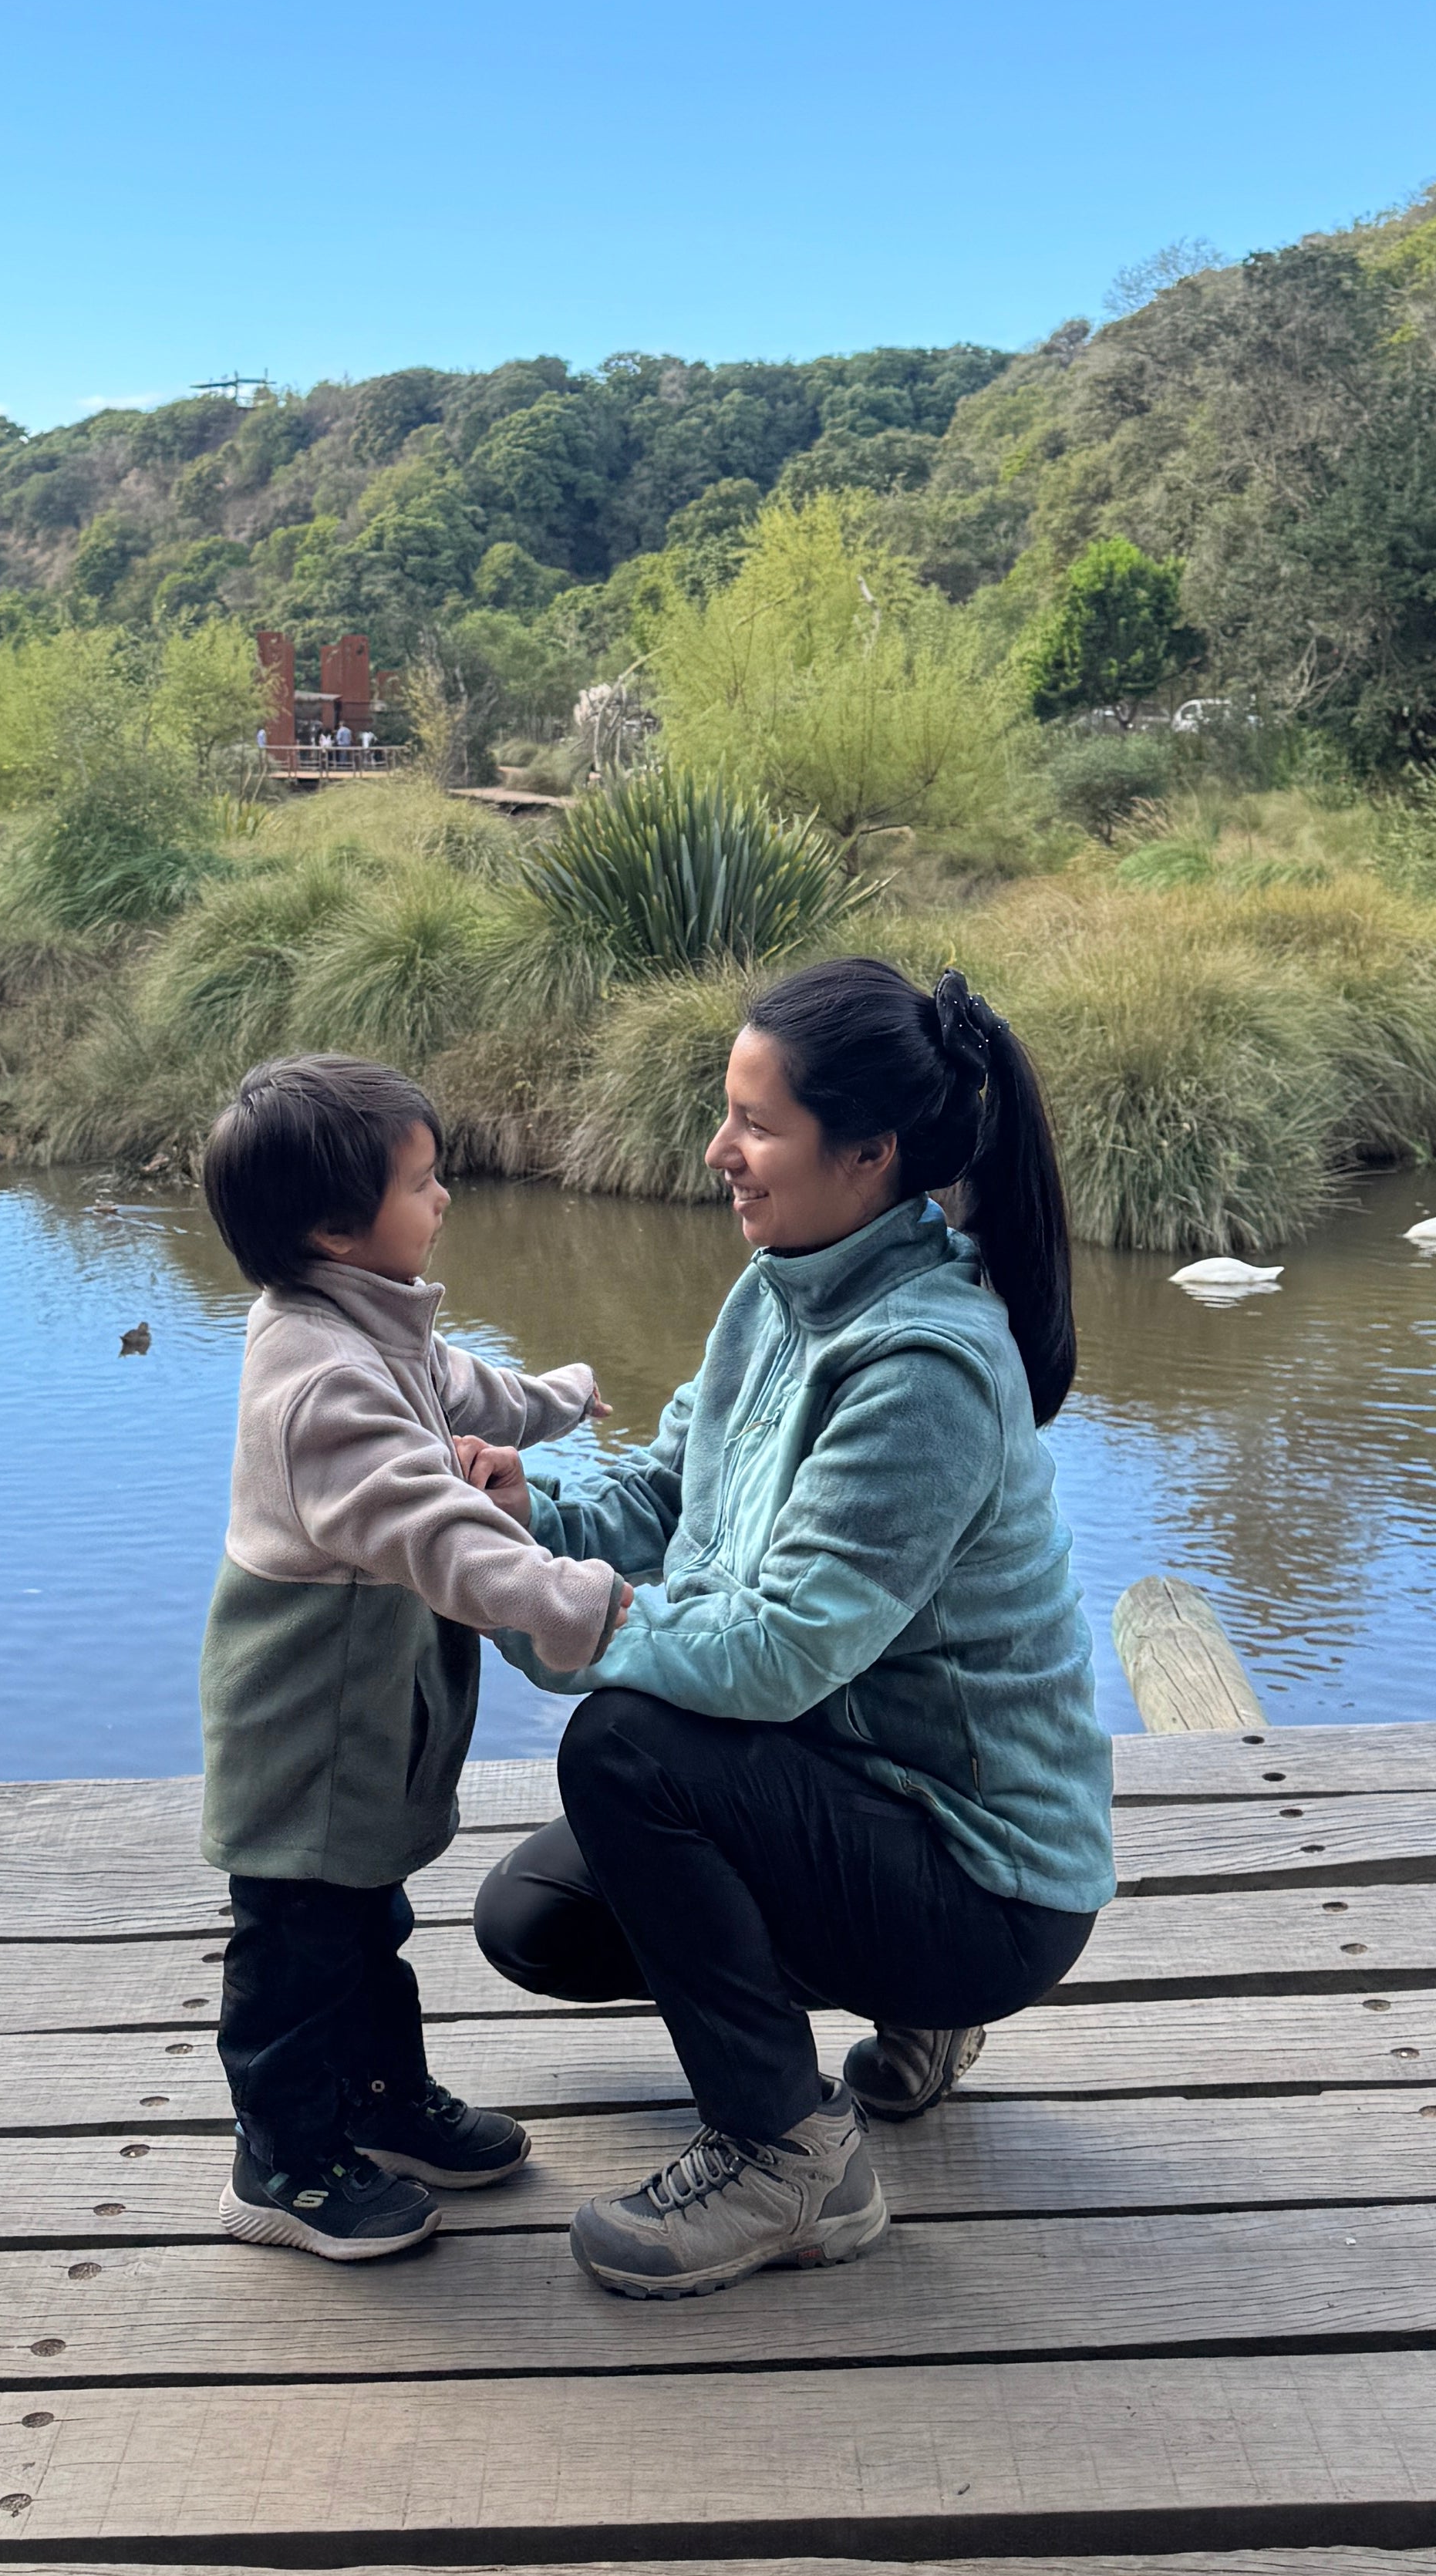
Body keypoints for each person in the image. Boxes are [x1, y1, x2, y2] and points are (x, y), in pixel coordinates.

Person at [465, 958, 1112, 2300]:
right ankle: (913, 2020)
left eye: (757, 1125)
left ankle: (788, 2160)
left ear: (871, 1154)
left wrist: (551, 1613)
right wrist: (541, 1516)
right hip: (860, 1789)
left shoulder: (924, 1366)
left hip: (988, 1877)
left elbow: (775, 1656)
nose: (722, 1152)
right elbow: (672, 1491)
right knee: (538, 1919)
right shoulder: (781, 1284)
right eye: (728, 1113)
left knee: (630, 1748)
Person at [197, 1054, 623, 2262]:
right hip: (306, 1724)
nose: (444, 1201)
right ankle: (279, 2162)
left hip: (369, 1714)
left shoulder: (367, 1319)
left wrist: (552, 1400)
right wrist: (574, 1602)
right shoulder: (317, 1381)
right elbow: (437, 1532)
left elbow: (458, 1387)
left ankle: (379, 2105)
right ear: (336, 1226)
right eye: (424, 1184)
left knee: (365, 1923)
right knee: (295, 1948)